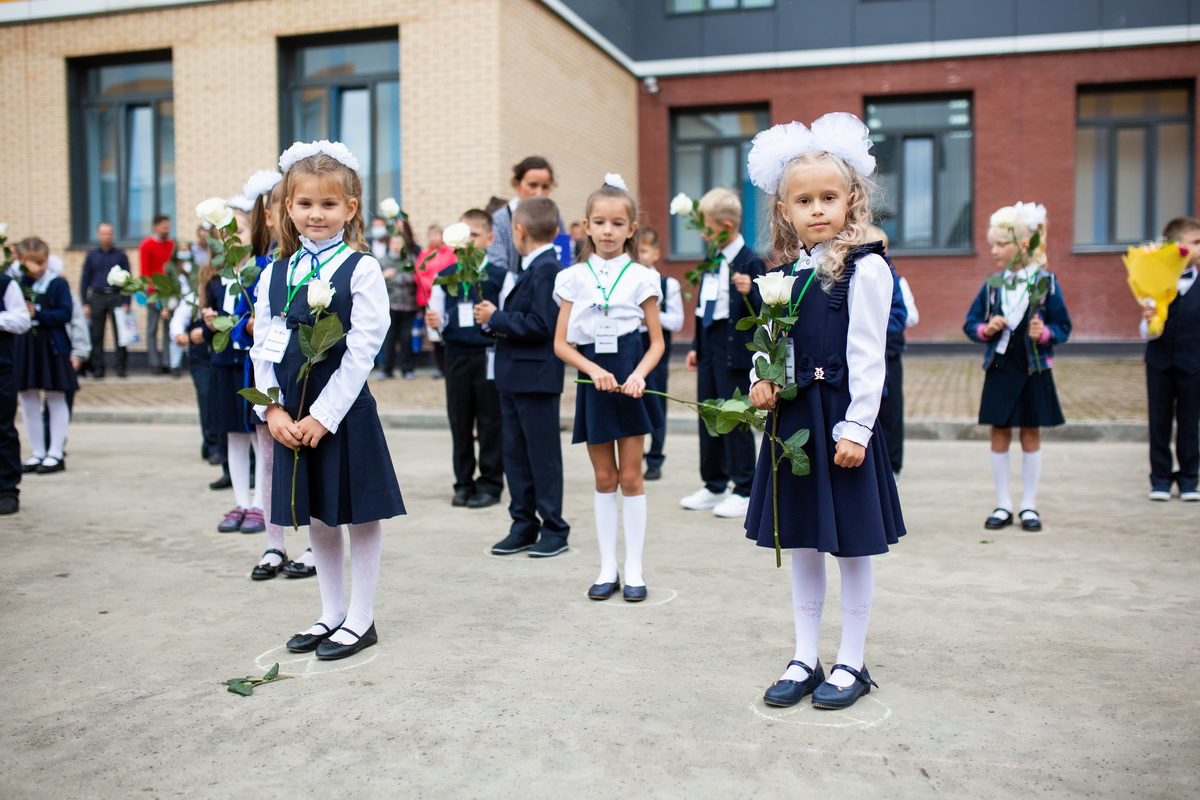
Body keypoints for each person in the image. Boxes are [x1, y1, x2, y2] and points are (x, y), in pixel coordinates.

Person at [743, 113, 905, 710]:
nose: (817, 209)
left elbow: (870, 357)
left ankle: (852, 662)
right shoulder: (780, 276)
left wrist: (858, 426)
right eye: (803, 200)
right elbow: (769, 345)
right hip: (796, 425)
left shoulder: (868, 268)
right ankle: (805, 655)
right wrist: (762, 380)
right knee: (805, 540)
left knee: (852, 544)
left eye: (828, 198)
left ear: (852, 200)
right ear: (785, 210)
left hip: (840, 420)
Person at [252, 140, 405, 660]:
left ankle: (361, 618)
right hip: (291, 413)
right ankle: (331, 612)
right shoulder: (274, 273)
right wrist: (271, 407)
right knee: (317, 511)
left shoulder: (361, 269)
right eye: (305, 204)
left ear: (350, 209)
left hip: (340, 411)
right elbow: (263, 346)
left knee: (358, 511)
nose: (316, 215)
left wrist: (324, 414)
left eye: (328, 204)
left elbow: (363, 350)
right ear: (286, 209)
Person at [553, 176, 664, 600]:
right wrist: (591, 369)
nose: (607, 231)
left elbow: (656, 342)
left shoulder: (641, 276)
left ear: (632, 228)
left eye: (617, 223)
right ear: (584, 226)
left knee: (632, 477)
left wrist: (639, 374)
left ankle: (634, 569)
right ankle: (607, 567)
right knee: (604, 477)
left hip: (631, 375)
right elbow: (561, 344)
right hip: (593, 376)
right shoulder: (573, 277)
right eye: (599, 222)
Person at [964, 202, 1071, 532]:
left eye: (1000, 244)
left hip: (1033, 368)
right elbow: (971, 324)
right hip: (1000, 366)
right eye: (992, 243)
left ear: (1024, 245)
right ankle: (1003, 504)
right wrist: (987, 329)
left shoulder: (1046, 283)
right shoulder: (992, 285)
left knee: (1030, 433)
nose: (993, 250)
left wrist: (1046, 333)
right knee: (998, 432)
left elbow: (1063, 326)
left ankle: (1028, 506)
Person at [474, 195, 570, 557]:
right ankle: (523, 523)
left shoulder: (547, 269)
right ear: (557, 230)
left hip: (537, 379)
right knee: (515, 454)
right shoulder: (532, 267)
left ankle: (554, 528)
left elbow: (543, 325)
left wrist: (496, 318)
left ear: (519, 230)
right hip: (514, 378)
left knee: (541, 456)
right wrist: (493, 322)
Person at [679, 187, 765, 518]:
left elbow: (764, 312)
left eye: (707, 228)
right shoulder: (712, 259)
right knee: (708, 414)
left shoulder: (750, 261)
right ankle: (714, 484)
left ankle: (744, 487)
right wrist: (696, 347)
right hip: (711, 350)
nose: (702, 234)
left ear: (726, 227)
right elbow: (704, 308)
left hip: (735, 354)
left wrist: (752, 292)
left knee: (733, 415)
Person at [425, 210, 506, 508]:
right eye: (464, 233)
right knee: (460, 421)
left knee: (489, 421)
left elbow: (507, 317)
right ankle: (463, 483)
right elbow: (438, 322)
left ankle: (491, 483)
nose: (468, 240)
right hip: (457, 356)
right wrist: (436, 325)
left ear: (488, 239)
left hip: (487, 355)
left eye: (474, 234)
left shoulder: (500, 277)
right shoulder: (444, 277)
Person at [201, 218, 265, 535]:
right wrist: (208, 322)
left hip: (251, 364)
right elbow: (206, 326)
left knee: (258, 436)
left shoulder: (262, 273)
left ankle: (260, 504)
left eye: (238, 231)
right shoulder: (214, 281)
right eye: (226, 235)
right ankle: (241, 502)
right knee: (234, 435)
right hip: (225, 363)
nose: (233, 238)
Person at [1141, 216, 1200, 502]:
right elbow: (1146, 333)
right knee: (1159, 420)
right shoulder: (1156, 283)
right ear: (1178, 247)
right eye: (1196, 242)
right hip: (1160, 363)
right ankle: (1160, 479)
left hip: (1193, 365)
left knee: (1190, 422)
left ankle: (1190, 478)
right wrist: (1150, 319)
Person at [13, 238, 77, 475]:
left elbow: (65, 313)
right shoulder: (18, 284)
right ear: (21, 262)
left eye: (42, 262)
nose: (38, 268)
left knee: (55, 396)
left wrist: (38, 312)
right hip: (26, 346)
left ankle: (55, 452)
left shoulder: (57, 284)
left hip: (52, 347)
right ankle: (38, 451)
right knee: (28, 398)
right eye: (32, 263)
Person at [866, 226, 917, 481]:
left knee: (890, 412)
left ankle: (892, 466)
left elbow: (900, 316)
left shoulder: (890, 276)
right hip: (863, 358)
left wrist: (870, 328)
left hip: (889, 357)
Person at [636, 226, 684, 481]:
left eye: (643, 250)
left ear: (655, 253)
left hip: (657, 351)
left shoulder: (669, 284)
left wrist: (653, 317)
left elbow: (676, 322)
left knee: (655, 403)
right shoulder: (629, 283)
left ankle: (655, 458)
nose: (639, 255)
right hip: (634, 349)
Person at [486, 156, 561, 274]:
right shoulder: (500, 219)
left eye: (545, 187)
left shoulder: (556, 218)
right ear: (517, 184)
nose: (539, 193)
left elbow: (564, 259)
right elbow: (497, 265)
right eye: (533, 185)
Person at [0, 247, 33, 514]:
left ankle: (8, 489)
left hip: (1, 369)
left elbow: (22, 319)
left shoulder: (5, 283)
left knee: (3, 429)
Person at [79, 222, 131, 379]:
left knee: (121, 335)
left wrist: (126, 301)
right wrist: (85, 303)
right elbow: (85, 280)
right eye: (104, 233)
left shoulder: (121, 255)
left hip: (116, 296)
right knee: (97, 335)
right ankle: (98, 369)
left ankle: (121, 368)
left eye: (109, 233)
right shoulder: (91, 255)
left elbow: (128, 279)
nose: (107, 236)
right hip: (97, 297)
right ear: (98, 235)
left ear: (113, 235)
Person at [380, 227, 420, 380]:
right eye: (394, 243)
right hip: (390, 305)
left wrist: (394, 277)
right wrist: (385, 276)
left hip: (409, 304)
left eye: (399, 242)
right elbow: (378, 281)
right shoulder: (382, 261)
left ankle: (407, 368)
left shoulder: (411, 259)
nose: (397, 246)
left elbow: (414, 278)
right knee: (389, 337)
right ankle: (387, 369)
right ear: (389, 244)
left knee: (406, 337)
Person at [416, 225, 455, 377]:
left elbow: (453, 270)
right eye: (430, 235)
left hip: (447, 295)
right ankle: (440, 367)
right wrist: (432, 283)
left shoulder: (450, 253)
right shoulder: (425, 254)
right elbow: (419, 273)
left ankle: (449, 365)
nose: (433, 238)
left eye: (436, 235)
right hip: (430, 296)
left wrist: (441, 282)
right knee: (434, 332)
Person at [139, 214, 175, 374]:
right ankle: (154, 363)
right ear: (155, 227)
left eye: (168, 227)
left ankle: (168, 361)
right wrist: (151, 293)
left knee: (168, 329)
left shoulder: (171, 245)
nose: (166, 230)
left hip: (168, 292)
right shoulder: (146, 245)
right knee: (152, 328)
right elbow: (145, 271)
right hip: (154, 292)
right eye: (163, 227)